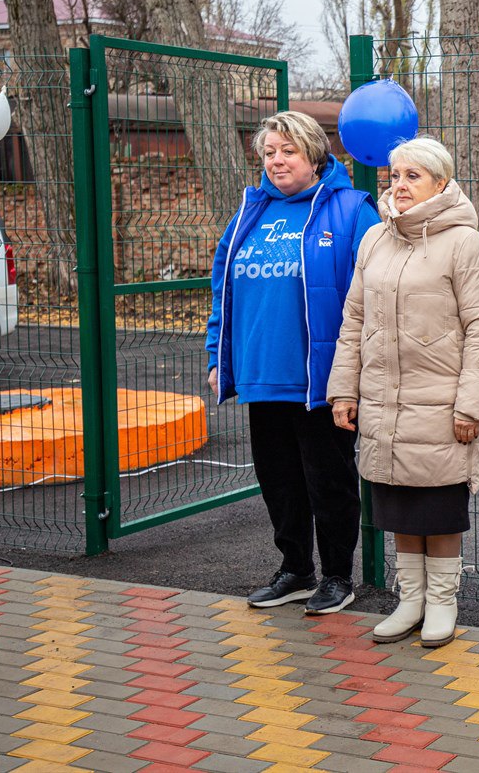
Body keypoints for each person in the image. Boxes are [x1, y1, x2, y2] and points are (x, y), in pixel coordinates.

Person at [205, 111, 379, 615]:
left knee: (330, 482)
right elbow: (223, 291)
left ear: (314, 155)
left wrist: (357, 372)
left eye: (288, 151)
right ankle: (297, 570)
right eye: (269, 153)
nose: (277, 161)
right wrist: (220, 354)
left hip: (322, 380)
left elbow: (372, 297)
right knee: (279, 483)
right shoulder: (248, 213)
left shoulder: (351, 211)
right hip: (263, 375)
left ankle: (338, 577)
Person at [327, 137, 479, 647]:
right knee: (398, 502)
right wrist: (344, 391)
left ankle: (443, 603)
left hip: (441, 404)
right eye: (394, 176)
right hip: (384, 401)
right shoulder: (375, 239)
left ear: (441, 184)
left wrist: (471, 404)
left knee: (439, 504)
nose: (398, 185)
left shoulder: (464, 242)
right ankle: (411, 600)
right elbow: (353, 319)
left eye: (412, 176)